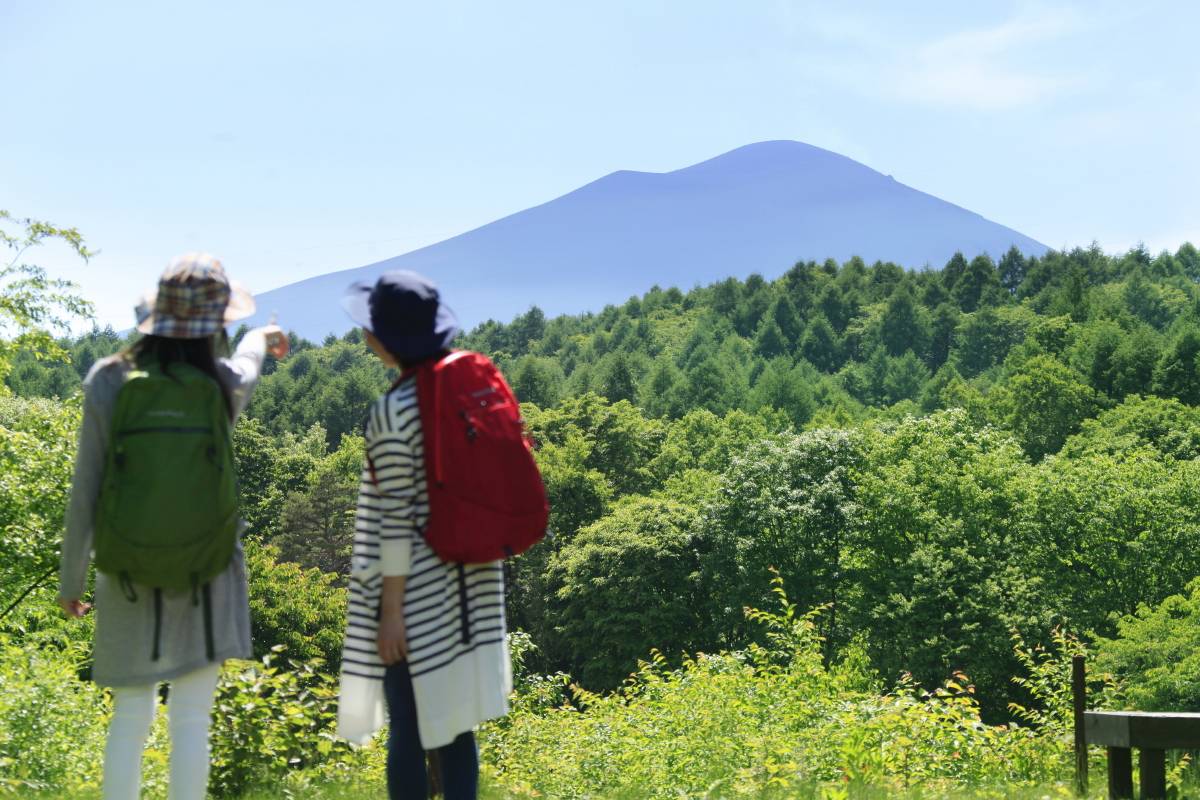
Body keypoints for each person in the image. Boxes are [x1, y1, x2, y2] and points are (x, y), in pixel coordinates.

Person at [57, 253, 289, 800]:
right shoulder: (221, 382)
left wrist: (72, 579)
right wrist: (264, 335)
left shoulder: (109, 379)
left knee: (131, 714)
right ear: (216, 324)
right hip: (206, 568)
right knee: (191, 718)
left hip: (125, 568)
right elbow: (251, 359)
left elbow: (85, 488)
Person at [337, 271, 511, 800]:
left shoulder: (394, 411)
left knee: (409, 732)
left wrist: (390, 614)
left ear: (383, 341)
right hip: (473, 585)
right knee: (457, 728)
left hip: (417, 593)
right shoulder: (463, 391)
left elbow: (393, 520)